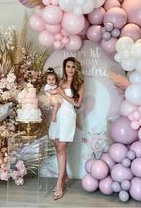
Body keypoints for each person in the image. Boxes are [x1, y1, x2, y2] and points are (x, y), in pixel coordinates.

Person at [49, 57, 84, 200]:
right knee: (58, 147)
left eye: (73, 67)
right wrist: (53, 103)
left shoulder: (79, 83)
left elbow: (77, 103)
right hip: (57, 117)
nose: (70, 69)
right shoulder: (60, 82)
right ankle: (65, 176)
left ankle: (59, 183)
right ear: (64, 68)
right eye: (68, 66)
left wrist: (63, 94)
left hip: (68, 118)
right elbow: (54, 99)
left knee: (62, 148)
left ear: (76, 69)